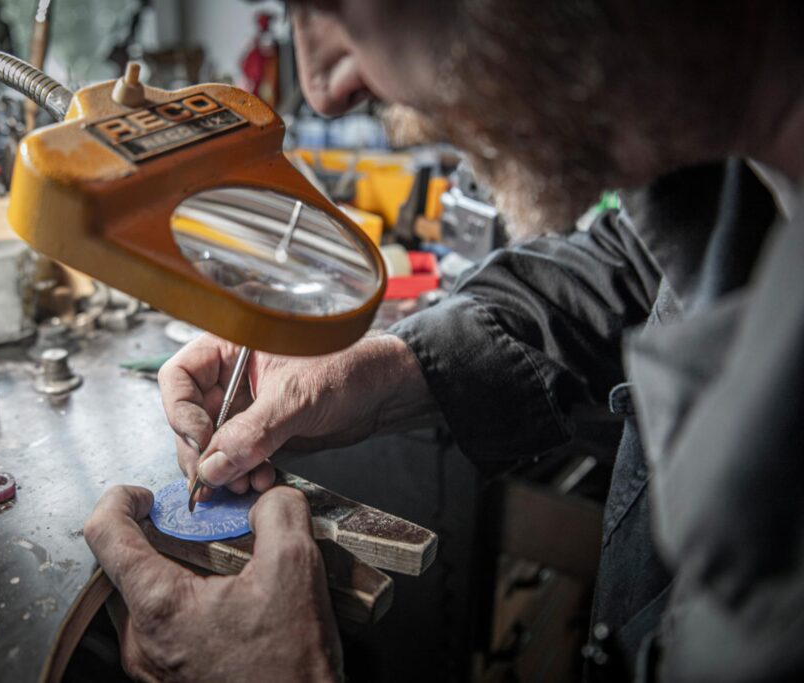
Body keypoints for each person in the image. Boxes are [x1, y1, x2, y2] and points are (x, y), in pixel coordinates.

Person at [82, 1, 804, 680]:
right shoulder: (737, 165)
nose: (325, 90)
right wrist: (389, 368)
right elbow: (642, 266)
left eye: (336, 6)